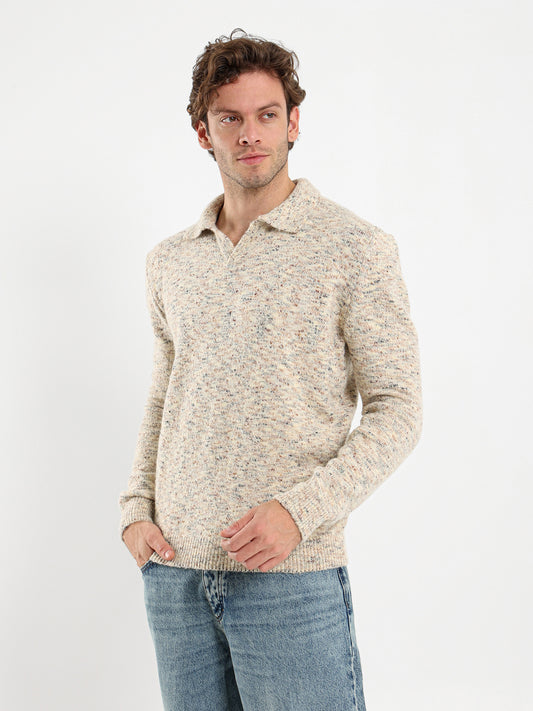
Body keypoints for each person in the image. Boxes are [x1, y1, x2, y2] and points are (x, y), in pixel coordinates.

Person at [118, 28, 423, 711]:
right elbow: (166, 392)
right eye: (230, 118)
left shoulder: (354, 248)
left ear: (293, 122)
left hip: (289, 577)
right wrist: (135, 509)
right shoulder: (171, 261)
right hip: (174, 573)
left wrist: (298, 512)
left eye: (266, 114)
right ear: (203, 132)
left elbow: (398, 409)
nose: (250, 134)